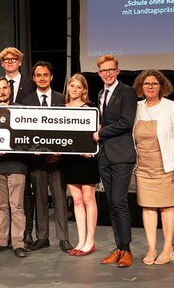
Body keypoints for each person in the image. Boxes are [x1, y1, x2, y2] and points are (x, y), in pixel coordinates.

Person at [132, 69, 174, 266]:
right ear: (141, 86)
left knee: (166, 206)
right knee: (147, 207)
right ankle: (151, 248)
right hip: (144, 166)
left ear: (161, 86)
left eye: (154, 83)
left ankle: (167, 249)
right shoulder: (137, 107)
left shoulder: (171, 107)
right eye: (147, 83)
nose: (150, 87)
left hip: (166, 165)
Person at [21, 61, 73, 253]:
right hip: (36, 160)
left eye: (46, 75)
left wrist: (61, 152)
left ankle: (64, 238)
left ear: (51, 77)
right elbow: (24, 132)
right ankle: (42, 237)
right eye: (38, 75)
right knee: (40, 200)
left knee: (60, 198)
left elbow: (68, 131)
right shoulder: (26, 102)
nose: (42, 78)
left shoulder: (62, 100)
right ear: (34, 78)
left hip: (58, 160)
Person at [93, 54, 137, 267]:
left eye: (111, 70)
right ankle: (119, 247)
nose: (108, 73)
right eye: (104, 71)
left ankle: (127, 249)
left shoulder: (127, 92)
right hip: (104, 156)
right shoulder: (101, 93)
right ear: (99, 73)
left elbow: (126, 122)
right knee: (111, 204)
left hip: (121, 156)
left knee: (120, 202)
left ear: (117, 71)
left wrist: (102, 133)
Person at [0, 76, 28, 258]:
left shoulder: (21, 110)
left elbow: (28, 135)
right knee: (0, 205)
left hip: (17, 164)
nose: (2, 91)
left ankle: (18, 242)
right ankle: (2, 240)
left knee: (17, 206)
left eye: (4, 88)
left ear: (9, 90)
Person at [0, 46, 36, 247]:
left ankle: (25, 233)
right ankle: (5, 237)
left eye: (14, 59)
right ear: (2, 63)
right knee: (5, 201)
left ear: (20, 62)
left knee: (25, 196)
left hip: (25, 150)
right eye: (6, 59)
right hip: (1, 153)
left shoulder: (30, 84)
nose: (10, 62)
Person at [63, 74, 100, 256]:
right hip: (70, 160)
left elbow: (97, 133)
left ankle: (90, 241)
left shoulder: (92, 108)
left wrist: (91, 146)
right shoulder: (62, 109)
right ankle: (81, 240)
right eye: (72, 86)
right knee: (76, 200)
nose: (75, 89)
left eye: (78, 87)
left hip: (87, 160)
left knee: (88, 199)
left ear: (84, 90)